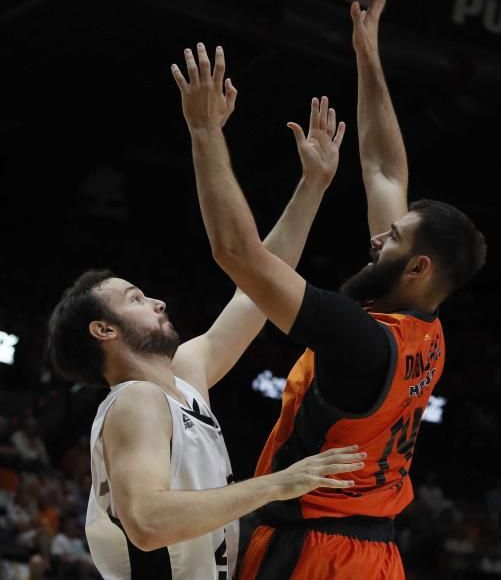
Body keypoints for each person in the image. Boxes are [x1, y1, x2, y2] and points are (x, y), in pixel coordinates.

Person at [171, 0, 487, 579]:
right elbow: (383, 168)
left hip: (315, 553)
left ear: (418, 268)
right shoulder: (427, 327)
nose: (377, 237)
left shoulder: (359, 341)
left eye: (393, 239)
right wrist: (368, 53)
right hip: (377, 555)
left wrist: (205, 132)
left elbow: (238, 253)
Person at [46, 91, 365, 580]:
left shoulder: (185, 379)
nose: (157, 302)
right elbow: (148, 523)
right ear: (103, 329)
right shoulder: (135, 400)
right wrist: (276, 485)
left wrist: (312, 186)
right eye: (134, 298)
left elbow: (257, 288)